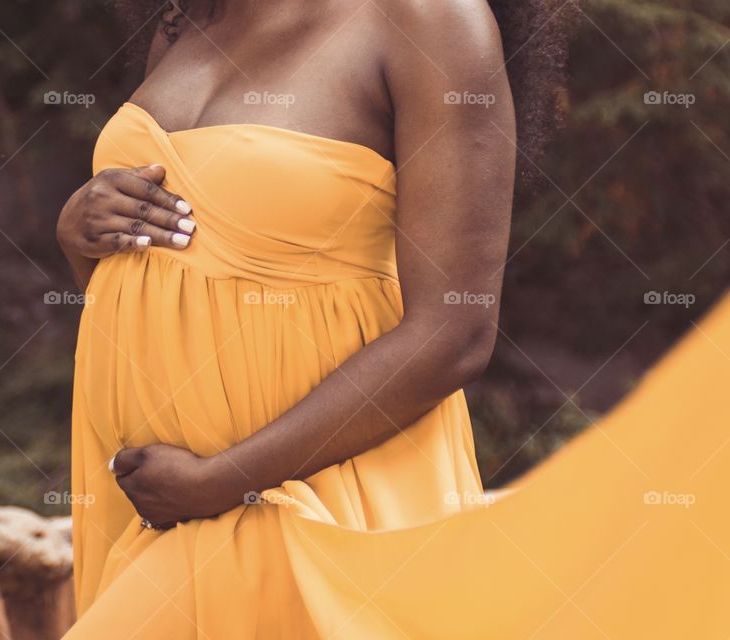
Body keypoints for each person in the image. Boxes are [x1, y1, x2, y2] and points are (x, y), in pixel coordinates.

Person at [56, 1, 730, 637]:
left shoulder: (429, 22)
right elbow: (161, 283)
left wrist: (225, 479)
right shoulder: (189, 19)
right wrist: (79, 235)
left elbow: (454, 333)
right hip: (151, 504)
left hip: (301, 508)